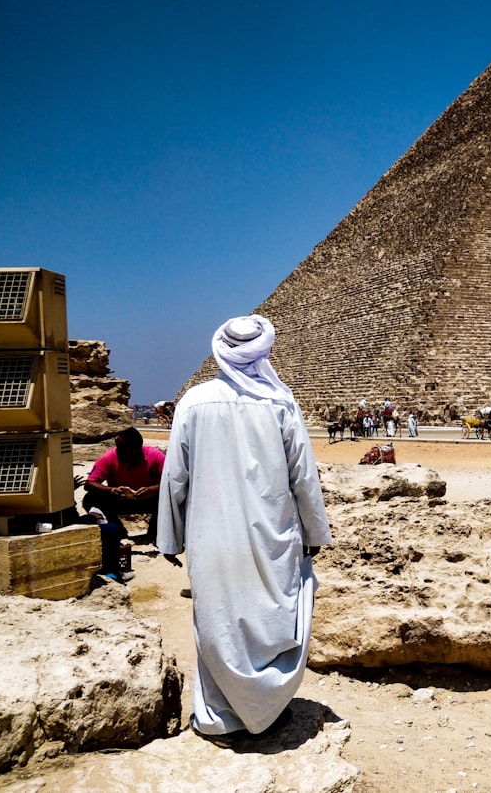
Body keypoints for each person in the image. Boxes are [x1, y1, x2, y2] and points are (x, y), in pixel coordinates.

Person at [157, 314, 332, 746]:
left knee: (218, 622)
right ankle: (266, 710)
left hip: (210, 534)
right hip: (273, 533)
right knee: (271, 619)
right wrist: (314, 532)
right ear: (265, 351)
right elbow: (303, 477)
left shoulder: (194, 401)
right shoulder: (280, 403)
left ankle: (218, 719)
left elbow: (174, 475)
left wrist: (169, 537)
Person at [83, 426, 164, 542]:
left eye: (121, 448)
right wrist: (111, 490)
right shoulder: (110, 457)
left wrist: (150, 490)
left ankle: (155, 534)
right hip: (120, 501)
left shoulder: (155, 456)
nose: (117, 450)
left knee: (171, 498)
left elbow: (171, 483)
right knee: (90, 499)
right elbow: (89, 484)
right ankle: (118, 533)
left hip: (150, 499)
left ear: (135, 448)